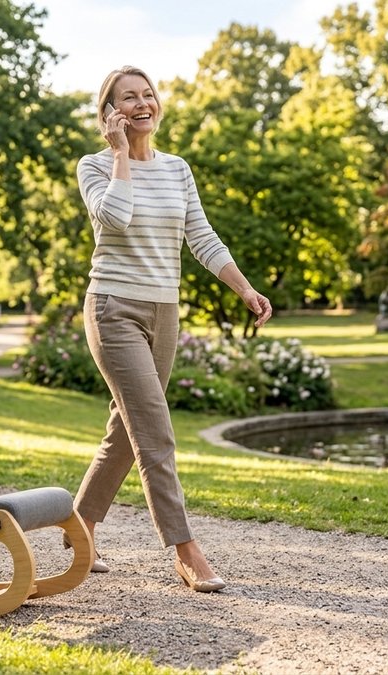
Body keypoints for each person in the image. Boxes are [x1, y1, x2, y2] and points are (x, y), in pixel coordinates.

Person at [72, 66, 273, 593]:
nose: (142, 104)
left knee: (127, 430)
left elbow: (201, 236)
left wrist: (245, 289)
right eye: (128, 98)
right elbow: (114, 219)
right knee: (155, 431)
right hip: (113, 309)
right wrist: (120, 154)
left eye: (148, 95)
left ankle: (80, 527)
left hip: (165, 311)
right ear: (109, 112)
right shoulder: (94, 166)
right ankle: (185, 550)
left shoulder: (177, 169)